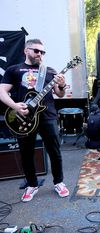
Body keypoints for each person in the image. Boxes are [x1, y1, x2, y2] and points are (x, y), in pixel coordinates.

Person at [0, 39, 70, 201]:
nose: (40, 54)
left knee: (55, 151)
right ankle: (32, 185)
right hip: (24, 117)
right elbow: (1, 92)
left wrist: (63, 85)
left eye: (42, 52)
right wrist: (15, 106)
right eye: (36, 51)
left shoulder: (50, 71)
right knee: (26, 153)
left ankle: (59, 182)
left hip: (48, 116)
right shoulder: (14, 70)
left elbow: (59, 94)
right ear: (26, 51)